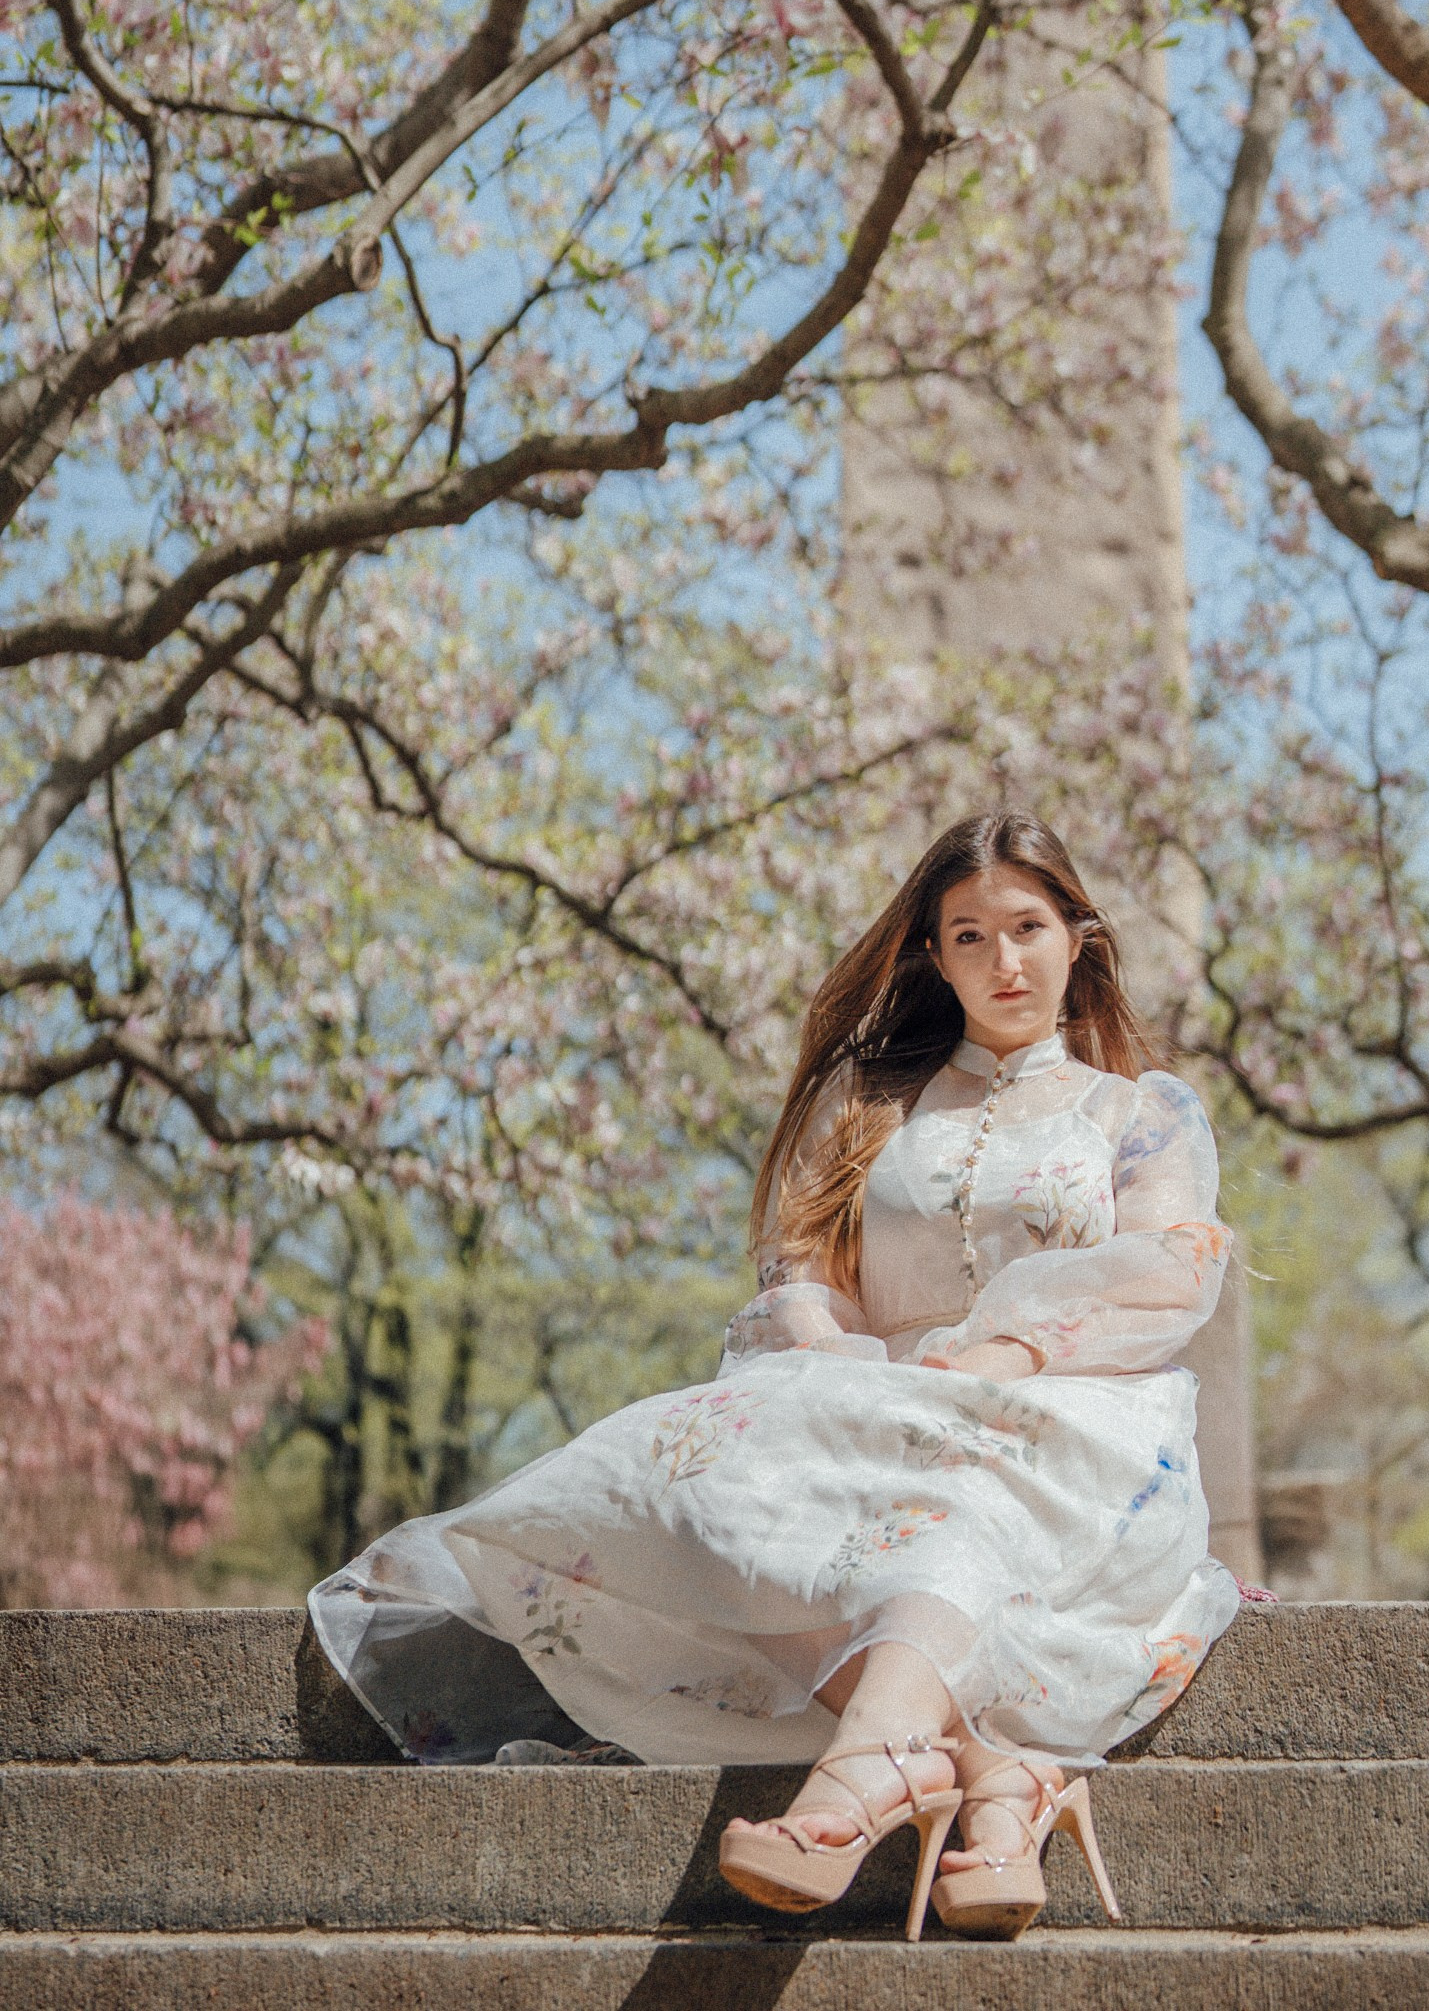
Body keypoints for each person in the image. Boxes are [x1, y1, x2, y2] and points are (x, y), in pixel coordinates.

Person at [308, 810, 1239, 1941]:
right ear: (934, 957)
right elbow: (801, 1274)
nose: (1003, 961)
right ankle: (993, 1776)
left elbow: (1168, 1276)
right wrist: (845, 1366)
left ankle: (853, 1791)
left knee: (955, 1515)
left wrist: (1005, 1354)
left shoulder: (1139, 1111)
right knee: (687, 1484)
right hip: (880, 1398)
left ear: (1077, 937)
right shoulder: (868, 1106)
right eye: (969, 936)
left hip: (1070, 1414)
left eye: (1028, 929)